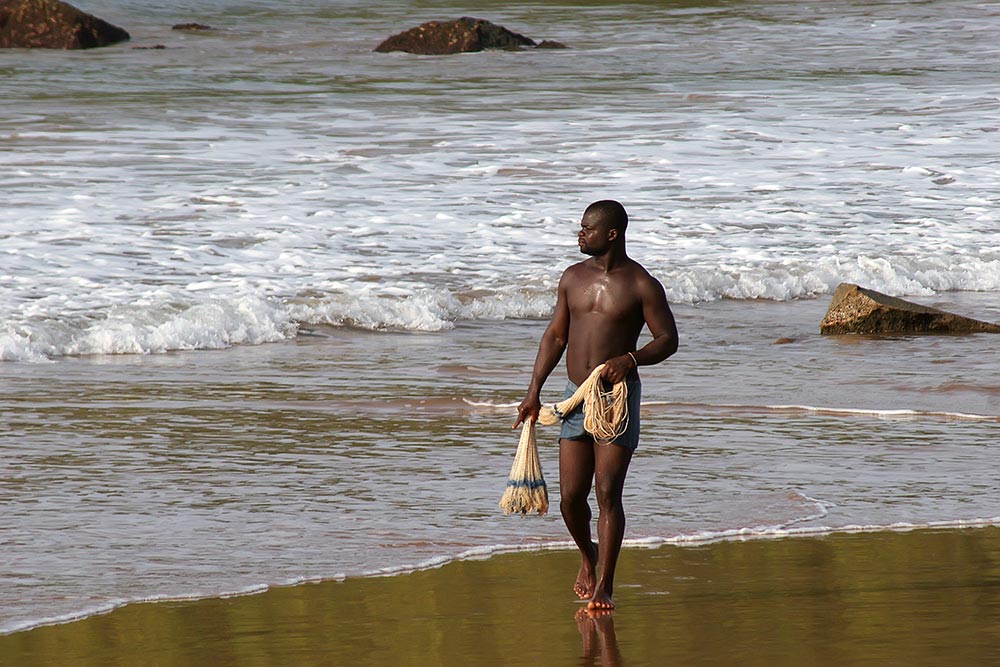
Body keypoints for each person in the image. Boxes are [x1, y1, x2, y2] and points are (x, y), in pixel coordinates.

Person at [513, 200, 678, 611]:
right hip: (575, 395)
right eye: (580, 228)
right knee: (570, 497)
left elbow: (668, 339)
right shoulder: (572, 278)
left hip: (615, 399)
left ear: (612, 234)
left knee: (607, 492)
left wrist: (632, 359)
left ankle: (605, 586)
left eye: (587, 228)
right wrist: (533, 390)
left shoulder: (642, 285)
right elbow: (555, 336)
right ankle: (589, 556)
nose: (579, 234)